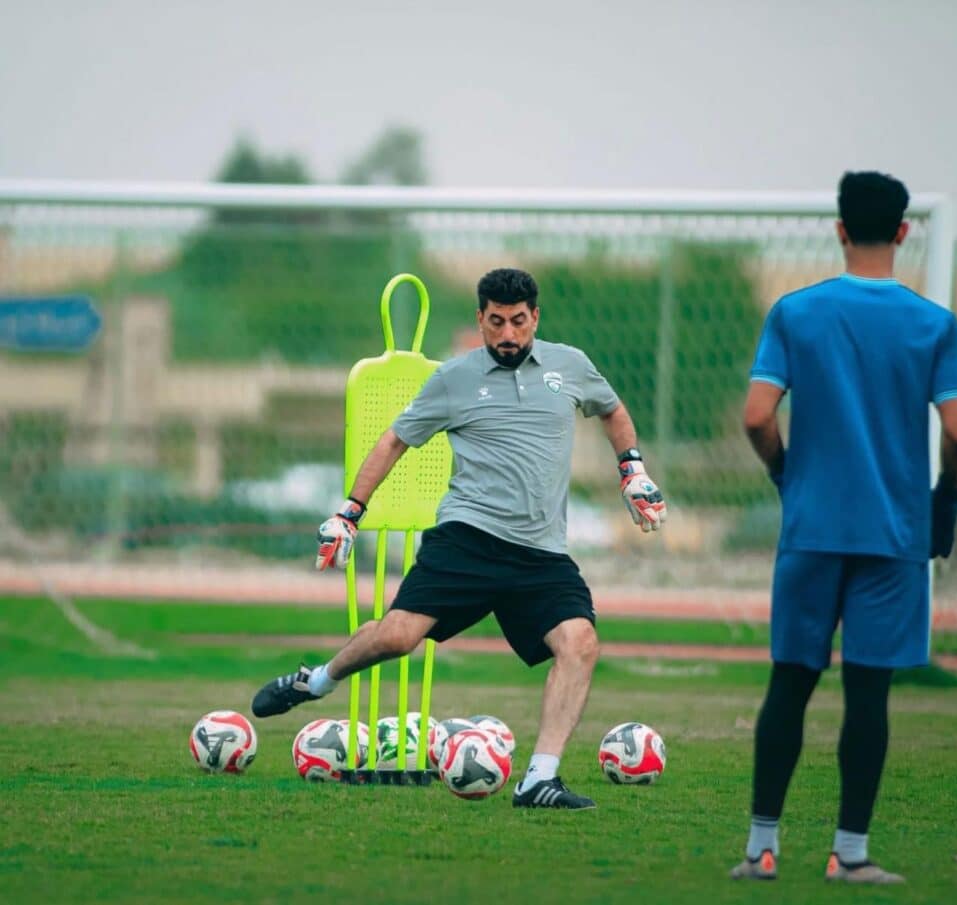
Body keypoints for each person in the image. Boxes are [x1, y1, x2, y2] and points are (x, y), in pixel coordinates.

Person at [251, 267, 668, 809]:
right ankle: (318, 681)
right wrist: (349, 513)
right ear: (480, 320)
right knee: (399, 636)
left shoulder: (571, 366)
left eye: (518, 321)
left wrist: (631, 469)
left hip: (540, 552)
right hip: (467, 539)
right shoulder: (454, 378)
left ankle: (539, 778)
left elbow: (611, 409)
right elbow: (395, 440)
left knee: (580, 643)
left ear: (535, 318)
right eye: (496, 322)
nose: (508, 335)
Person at [730, 171, 957, 883]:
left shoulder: (795, 313)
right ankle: (850, 853)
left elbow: (757, 416)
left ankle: (761, 848)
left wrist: (783, 473)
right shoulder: (934, 324)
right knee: (869, 694)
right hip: (894, 534)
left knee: (790, 684)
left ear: (837, 229)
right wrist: (945, 493)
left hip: (811, 527)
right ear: (902, 231)